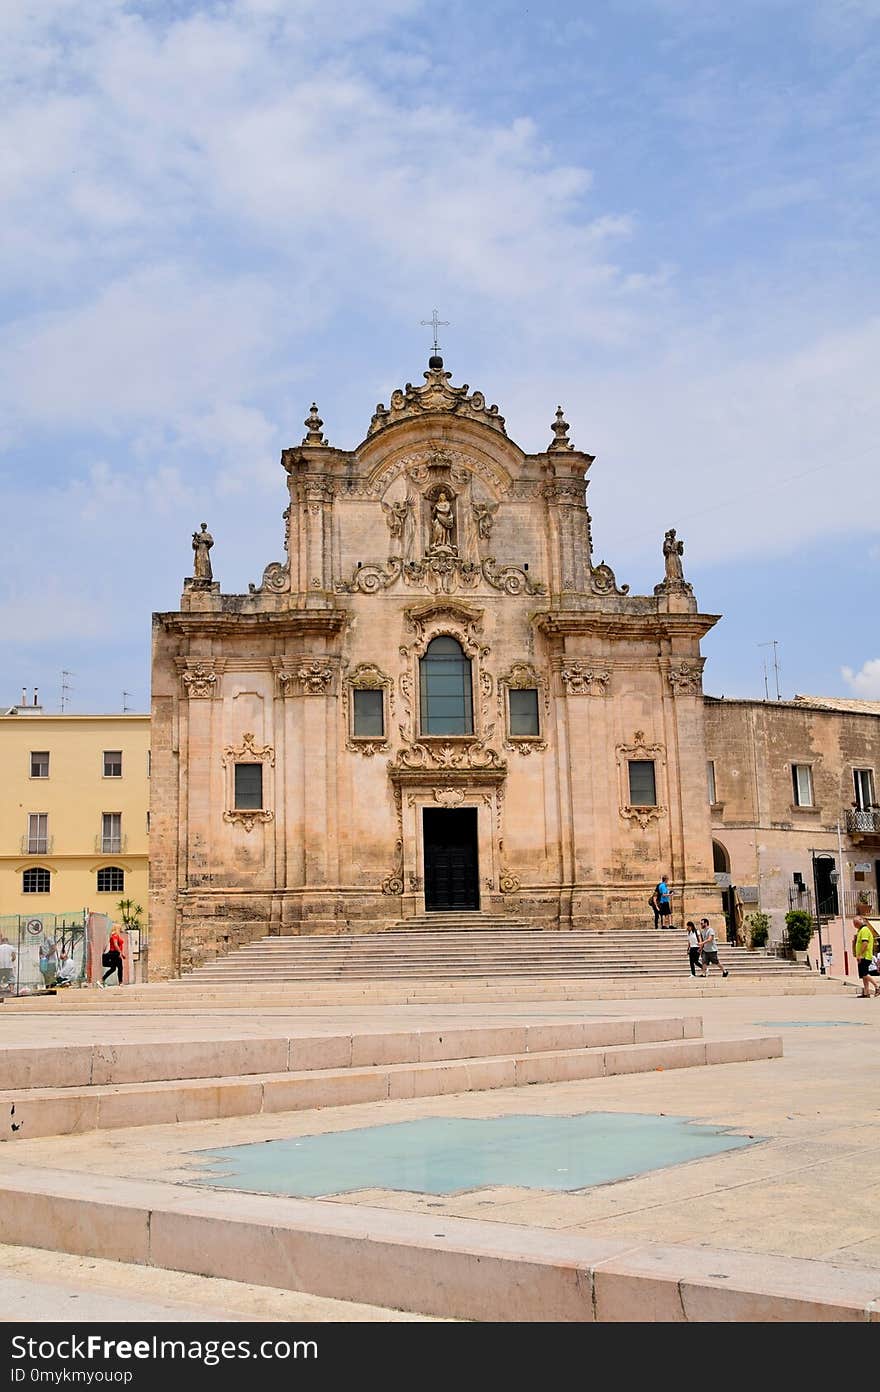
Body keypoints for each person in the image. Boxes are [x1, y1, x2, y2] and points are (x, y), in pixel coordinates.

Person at [852, 916, 877, 999]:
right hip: (863, 956)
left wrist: (859, 955)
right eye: (854, 923)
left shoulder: (865, 930)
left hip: (865, 956)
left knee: (864, 974)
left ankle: (877, 987)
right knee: (863, 975)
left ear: (861, 921)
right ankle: (866, 993)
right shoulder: (860, 931)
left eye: (856, 922)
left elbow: (865, 944)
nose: (854, 924)